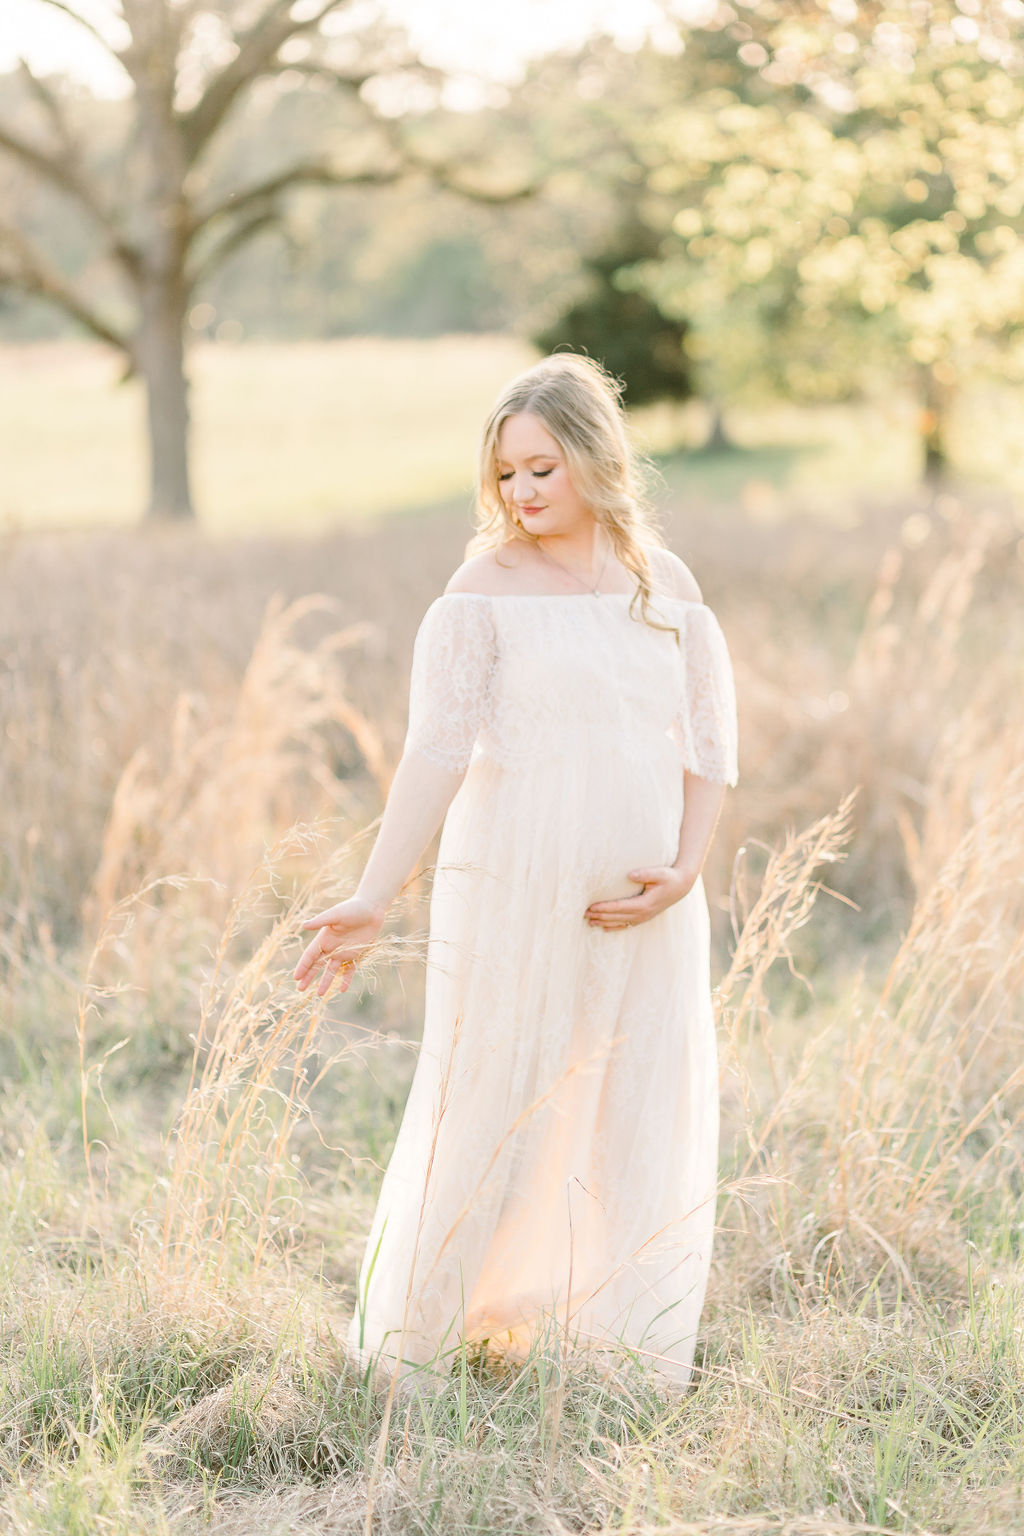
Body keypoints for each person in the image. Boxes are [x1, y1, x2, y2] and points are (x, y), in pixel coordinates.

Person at [294, 353, 739, 1390]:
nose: (523, 493)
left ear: (595, 456)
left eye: (542, 468)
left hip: (644, 891)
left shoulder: (662, 583)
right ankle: (441, 1328)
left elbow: (707, 745)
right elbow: (436, 753)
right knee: (505, 1083)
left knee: (633, 1092)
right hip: (515, 875)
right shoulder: (480, 590)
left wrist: (684, 866)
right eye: (505, 476)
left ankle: (608, 1328)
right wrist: (372, 892)